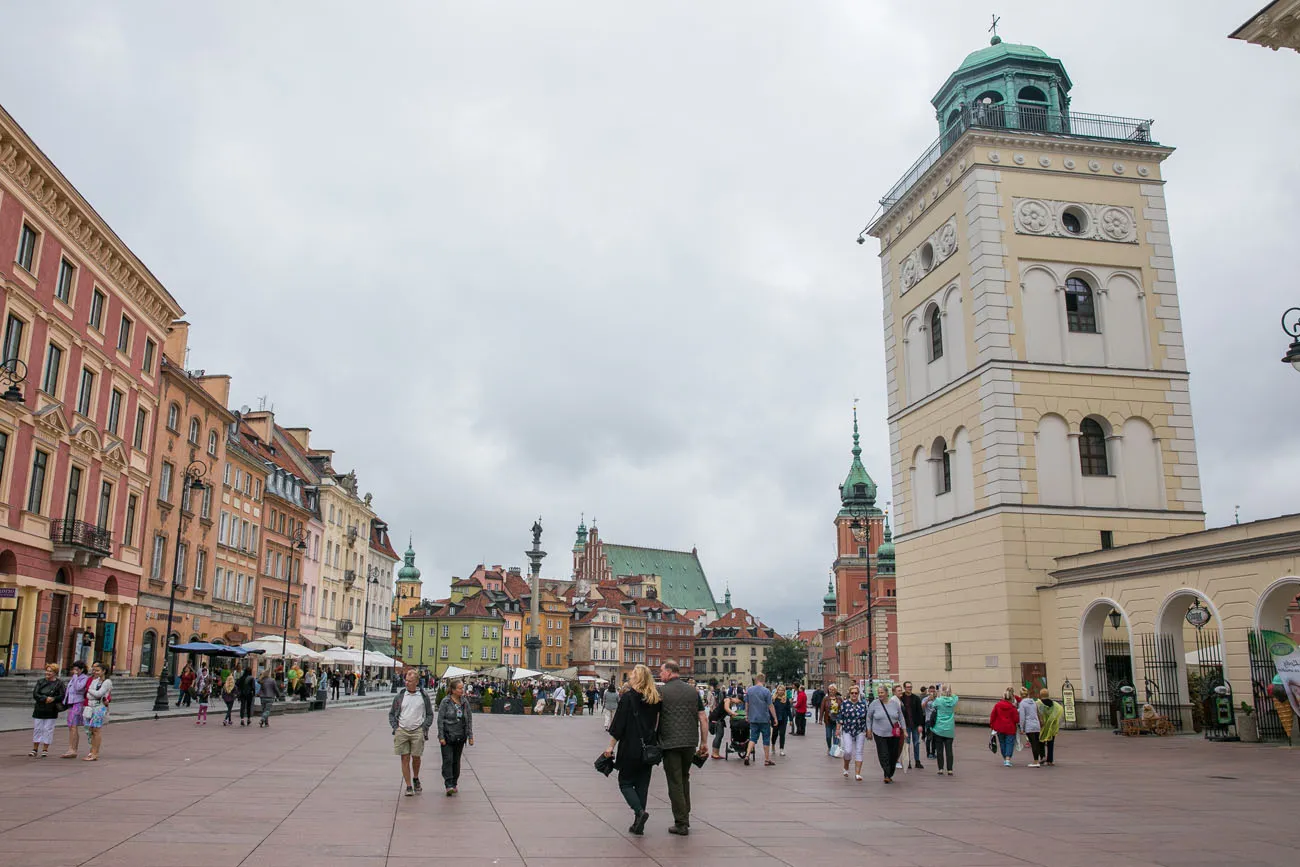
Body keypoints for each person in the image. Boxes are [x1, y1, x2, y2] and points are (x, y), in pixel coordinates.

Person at [604, 664, 661, 836]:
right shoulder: (655, 699)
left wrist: (610, 746)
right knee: (642, 786)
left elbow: (618, 726)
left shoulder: (628, 698)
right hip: (649, 748)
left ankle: (639, 812)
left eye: (633, 673)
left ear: (638, 677)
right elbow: (658, 724)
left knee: (625, 782)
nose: (630, 675)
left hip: (630, 746)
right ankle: (638, 824)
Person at [656, 661, 708, 836]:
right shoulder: (693, 691)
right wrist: (704, 742)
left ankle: (681, 822)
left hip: (670, 743)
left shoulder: (661, 692)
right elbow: (703, 718)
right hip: (690, 743)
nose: (660, 674)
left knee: (675, 782)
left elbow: (655, 719)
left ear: (670, 672)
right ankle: (685, 815)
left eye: (661, 671)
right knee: (685, 778)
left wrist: (654, 739)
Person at [390, 669, 434, 796]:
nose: (407, 683)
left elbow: (430, 714)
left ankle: (415, 777)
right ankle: (409, 786)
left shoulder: (423, 696)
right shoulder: (400, 696)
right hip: (402, 730)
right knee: (404, 758)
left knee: (416, 757)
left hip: (417, 730)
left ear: (416, 682)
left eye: (409, 681)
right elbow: (392, 714)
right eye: (406, 680)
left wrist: (424, 727)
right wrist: (396, 727)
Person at [437, 678, 474, 795]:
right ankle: (448, 784)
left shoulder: (464, 702)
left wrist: (470, 736)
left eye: (462, 688)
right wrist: (441, 736)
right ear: (453, 690)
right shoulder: (445, 702)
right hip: (448, 736)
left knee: (456, 761)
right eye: (459, 688)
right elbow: (440, 720)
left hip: (460, 736)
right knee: (448, 760)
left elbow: (469, 719)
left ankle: (454, 782)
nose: (462, 690)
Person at [866, 684, 903, 784]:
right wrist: (868, 730)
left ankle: (890, 773)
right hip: (879, 733)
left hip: (893, 733)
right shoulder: (874, 704)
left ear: (887, 693)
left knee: (893, 754)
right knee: (883, 754)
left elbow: (901, 717)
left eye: (882, 692)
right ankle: (886, 774)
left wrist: (905, 730)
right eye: (878, 693)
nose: (880, 694)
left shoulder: (894, 703)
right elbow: (869, 717)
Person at [744, 674, 778, 767]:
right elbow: (770, 706)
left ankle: (747, 755)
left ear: (756, 680)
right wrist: (775, 718)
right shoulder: (766, 691)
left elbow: (747, 704)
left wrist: (747, 715)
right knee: (766, 739)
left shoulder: (749, 690)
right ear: (763, 680)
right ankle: (767, 760)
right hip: (764, 719)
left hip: (753, 718)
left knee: (753, 738)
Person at [30, 663, 62, 758]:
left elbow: (62, 695)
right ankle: (35, 749)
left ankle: (45, 749)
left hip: (51, 709)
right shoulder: (40, 681)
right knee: (37, 728)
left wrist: (53, 699)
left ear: (55, 673)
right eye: (47, 670)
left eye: (50, 671)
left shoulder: (59, 683)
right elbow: (35, 694)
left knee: (48, 729)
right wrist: (44, 698)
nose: (48, 673)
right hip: (39, 708)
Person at [83, 662, 112, 761]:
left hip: (99, 707)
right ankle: (92, 751)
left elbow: (99, 694)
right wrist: (91, 692)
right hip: (91, 706)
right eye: (94, 670)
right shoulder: (95, 680)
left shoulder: (107, 682)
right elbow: (88, 694)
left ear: (104, 671)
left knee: (96, 729)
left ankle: (95, 753)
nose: (95, 672)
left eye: (97, 670)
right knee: (90, 729)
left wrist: (90, 691)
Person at [62, 660, 89, 759]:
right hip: (71, 703)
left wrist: (75, 676)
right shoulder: (74, 678)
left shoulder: (83, 678)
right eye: (74, 669)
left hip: (78, 703)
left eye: (77, 669)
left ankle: (72, 749)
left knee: (73, 726)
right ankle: (72, 748)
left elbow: (78, 688)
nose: (75, 671)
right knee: (71, 726)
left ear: (81, 669)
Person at [930, 685, 958, 776]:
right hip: (949, 729)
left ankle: (940, 769)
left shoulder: (939, 700)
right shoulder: (953, 700)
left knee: (939, 750)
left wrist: (940, 694)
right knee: (949, 750)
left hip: (939, 728)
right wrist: (950, 693)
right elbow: (956, 697)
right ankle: (950, 769)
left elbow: (932, 705)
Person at [989, 687, 1020, 767]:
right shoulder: (1012, 708)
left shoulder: (997, 705)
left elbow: (993, 716)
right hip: (1010, 728)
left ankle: (1005, 757)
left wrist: (992, 726)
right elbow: (1016, 719)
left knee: (1002, 743)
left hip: (999, 727)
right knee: (1009, 743)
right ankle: (1007, 758)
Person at [900, 681, 924, 769]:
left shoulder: (916, 698)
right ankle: (908, 761)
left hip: (915, 724)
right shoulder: (901, 698)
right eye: (908, 687)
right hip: (905, 725)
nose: (909, 688)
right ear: (904, 688)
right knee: (906, 744)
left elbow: (920, 712)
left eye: (910, 687)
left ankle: (917, 761)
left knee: (916, 743)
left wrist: (920, 725)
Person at [1036, 688, 1062, 767]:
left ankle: (1042, 757)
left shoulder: (1038, 703)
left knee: (1041, 742)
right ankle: (1050, 760)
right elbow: (1059, 711)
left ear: (1040, 695)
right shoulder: (1055, 704)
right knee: (1050, 744)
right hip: (1051, 727)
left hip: (1042, 726)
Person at [1019, 686, 1043, 768]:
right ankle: (1039, 758)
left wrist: (1021, 728)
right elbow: (1037, 713)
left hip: (1029, 726)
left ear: (1021, 695)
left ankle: (1036, 761)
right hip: (1036, 725)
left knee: (1033, 743)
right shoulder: (1034, 702)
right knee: (1037, 742)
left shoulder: (1022, 704)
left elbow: (1022, 717)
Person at [820, 685, 840, 755]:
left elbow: (843, 708)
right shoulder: (825, 698)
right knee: (828, 736)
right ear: (828, 690)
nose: (832, 691)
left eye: (833, 689)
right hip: (828, 720)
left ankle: (834, 750)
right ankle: (829, 747)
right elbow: (822, 708)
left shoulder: (839, 699)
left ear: (836, 690)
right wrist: (820, 719)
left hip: (837, 720)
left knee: (835, 736)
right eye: (830, 689)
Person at [773, 685, 791, 757]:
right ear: (777, 691)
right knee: (775, 734)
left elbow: (788, 710)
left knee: (782, 734)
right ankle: (773, 744)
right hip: (776, 719)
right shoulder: (773, 699)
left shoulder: (786, 699)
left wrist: (791, 720)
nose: (781, 691)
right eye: (779, 690)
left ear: (784, 691)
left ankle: (781, 749)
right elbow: (771, 709)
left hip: (784, 719)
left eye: (782, 690)